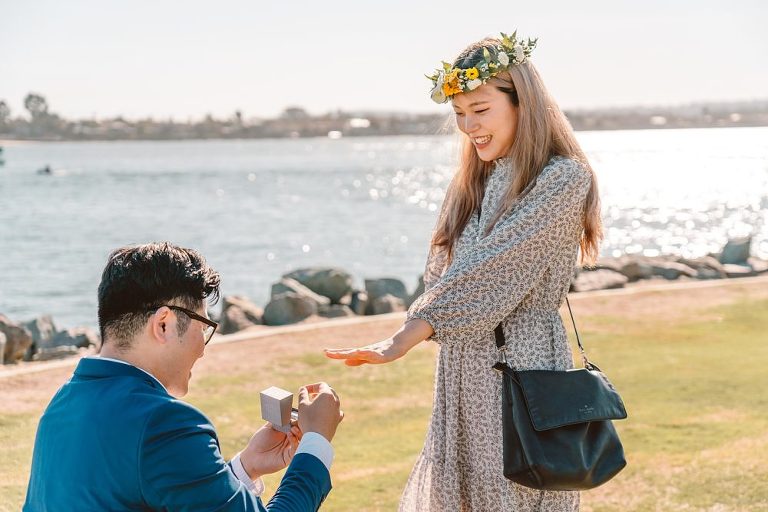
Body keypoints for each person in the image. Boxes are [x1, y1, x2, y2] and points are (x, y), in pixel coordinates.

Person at [325, 31, 603, 511]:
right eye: (458, 114)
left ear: (523, 103)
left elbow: (491, 270)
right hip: (462, 364)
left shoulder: (563, 178)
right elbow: (445, 274)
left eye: (480, 109)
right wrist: (425, 324)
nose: (468, 126)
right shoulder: (474, 181)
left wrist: (403, 338)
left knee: (516, 489)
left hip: (521, 363)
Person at [24, 242, 344, 511]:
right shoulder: (164, 423)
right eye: (203, 328)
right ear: (163, 324)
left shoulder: (60, 407)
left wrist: (244, 468)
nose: (202, 350)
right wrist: (315, 442)